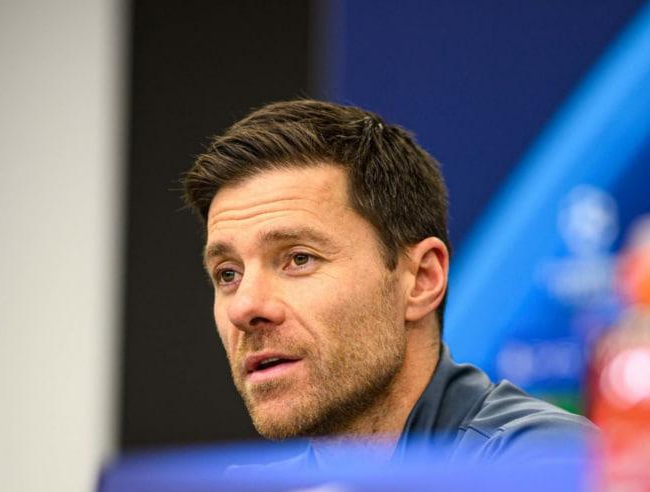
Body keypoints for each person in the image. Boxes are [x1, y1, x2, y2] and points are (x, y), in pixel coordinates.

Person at [181, 99, 594, 461]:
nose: (244, 307)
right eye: (228, 274)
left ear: (422, 279)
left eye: (299, 259)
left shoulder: (544, 465)